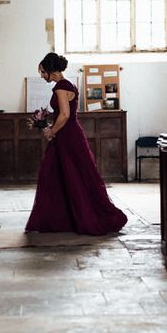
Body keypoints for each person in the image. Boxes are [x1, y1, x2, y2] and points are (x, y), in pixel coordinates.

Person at [25, 53, 128, 235]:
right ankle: (67, 219)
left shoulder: (60, 87)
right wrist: (51, 126)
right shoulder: (69, 84)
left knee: (58, 176)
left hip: (66, 136)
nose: (41, 76)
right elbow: (66, 115)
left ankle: (67, 220)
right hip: (71, 133)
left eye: (42, 72)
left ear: (50, 70)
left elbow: (64, 115)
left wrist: (51, 131)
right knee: (67, 176)